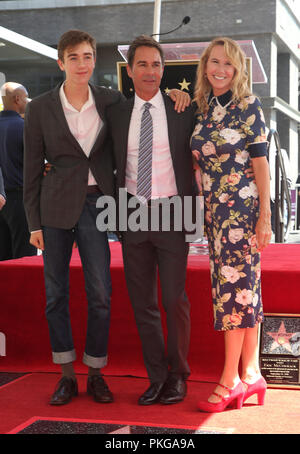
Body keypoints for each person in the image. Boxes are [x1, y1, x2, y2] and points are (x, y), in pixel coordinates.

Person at [24, 29, 189, 406]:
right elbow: (33, 169)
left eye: (87, 56)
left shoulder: (113, 102)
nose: (82, 64)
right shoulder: (46, 108)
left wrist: (178, 93)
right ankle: (68, 375)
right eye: (74, 57)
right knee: (57, 294)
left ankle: (108, 373)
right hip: (74, 210)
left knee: (110, 293)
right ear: (60, 62)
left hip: (117, 206)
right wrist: (32, 222)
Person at [106, 35, 196, 406]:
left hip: (174, 211)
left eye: (156, 65)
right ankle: (156, 377)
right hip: (132, 213)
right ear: (129, 71)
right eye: (141, 64)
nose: (149, 71)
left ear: (164, 70)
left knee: (174, 299)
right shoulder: (115, 113)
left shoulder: (183, 108)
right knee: (142, 302)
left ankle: (178, 375)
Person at [190, 37, 272, 412]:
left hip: (241, 213)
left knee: (233, 295)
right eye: (214, 62)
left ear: (238, 71)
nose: (220, 69)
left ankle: (230, 380)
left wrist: (264, 217)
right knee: (243, 290)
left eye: (228, 64)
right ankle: (252, 373)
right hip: (215, 216)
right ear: (205, 66)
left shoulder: (247, 106)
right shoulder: (204, 108)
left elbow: (260, 164)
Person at [0, 82, 37, 261]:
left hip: (2, 199)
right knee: (24, 258)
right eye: (25, 98)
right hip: (20, 201)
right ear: (17, 99)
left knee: (3, 256)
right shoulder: (24, 128)